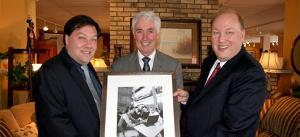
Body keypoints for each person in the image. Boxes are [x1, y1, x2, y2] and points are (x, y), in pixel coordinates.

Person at [174, 8, 267, 137]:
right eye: (216, 32)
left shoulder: (251, 73)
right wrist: (188, 98)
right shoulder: (209, 62)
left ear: (242, 35)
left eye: (229, 32)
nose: (221, 39)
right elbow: (207, 101)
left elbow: (234, 131)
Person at [33, 15, 102, 137]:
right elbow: (55, 125)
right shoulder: (50, 72)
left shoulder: (88, 66)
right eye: (82, 38)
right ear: (67, 39)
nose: (89, 45)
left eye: (94, 39)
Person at [111, 11, 183, 89]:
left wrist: (183, 101)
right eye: (140, 32)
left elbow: (177, 99)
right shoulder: (118, 66)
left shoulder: (173, 66)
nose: (145, 38)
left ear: (157, 35)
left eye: (150, 31)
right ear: (134, 35)